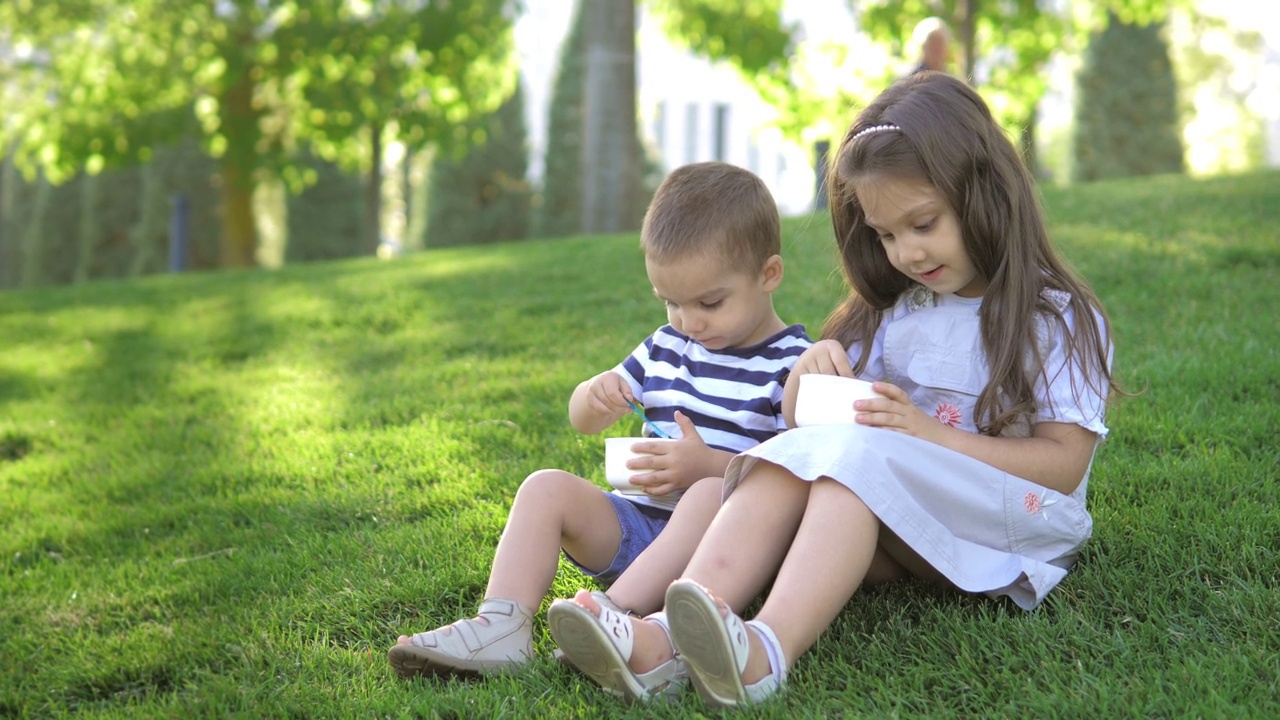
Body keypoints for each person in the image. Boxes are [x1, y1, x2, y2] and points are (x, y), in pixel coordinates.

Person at [550, 71, 1120, 708]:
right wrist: (807, 374)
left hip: (1004, 528)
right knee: (809, 460)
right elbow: (801, 430)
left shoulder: (1053, 317)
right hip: (898, 527)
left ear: (984, 193)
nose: (904, 251)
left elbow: (1064, 468)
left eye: (922, 223)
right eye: (883, 233)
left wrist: (928, 434)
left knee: (852, 465)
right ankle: (659, 638)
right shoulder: (897, 311)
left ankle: (767, 652)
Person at [387, 161, 811, 684]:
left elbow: (795, 478)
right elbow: (580, 419)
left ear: (768, 274)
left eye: (709, 303)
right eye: (671, 303)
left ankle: (612, 613)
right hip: (637, 529)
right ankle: (501, 625)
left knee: (705, 494)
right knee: (545, 488)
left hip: (719, 550)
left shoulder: (792, 363)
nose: (689, 322)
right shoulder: (665, 347)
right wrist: (594, 395)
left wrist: (706, 466)